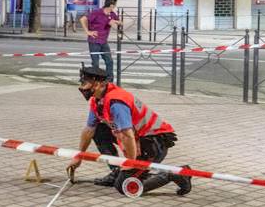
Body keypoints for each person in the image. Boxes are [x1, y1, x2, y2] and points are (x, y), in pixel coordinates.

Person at [68, 67, 190, 197]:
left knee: (125, 186)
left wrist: (130, 164)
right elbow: (89, 130)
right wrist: (78, 157)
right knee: (99, 131)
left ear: (98, 84)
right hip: (138, 139)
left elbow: (127, 135)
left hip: (154, 143)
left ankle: (174, 174)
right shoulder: (97, 100)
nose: (82, 88)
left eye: (84, 83)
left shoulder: (116, 102)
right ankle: (117, 171)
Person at [80, 0, 121, 83]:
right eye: (114, 5)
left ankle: (109, 81)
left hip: (104, 42)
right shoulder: (97, 12)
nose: (115, 7)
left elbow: (120, 23)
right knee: (95, 63)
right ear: (111, 5)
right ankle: (95, 81)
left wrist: (115, 22)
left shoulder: (112, 14)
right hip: (94, 41)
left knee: (109, 61)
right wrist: (88, 32)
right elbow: (83, 19)